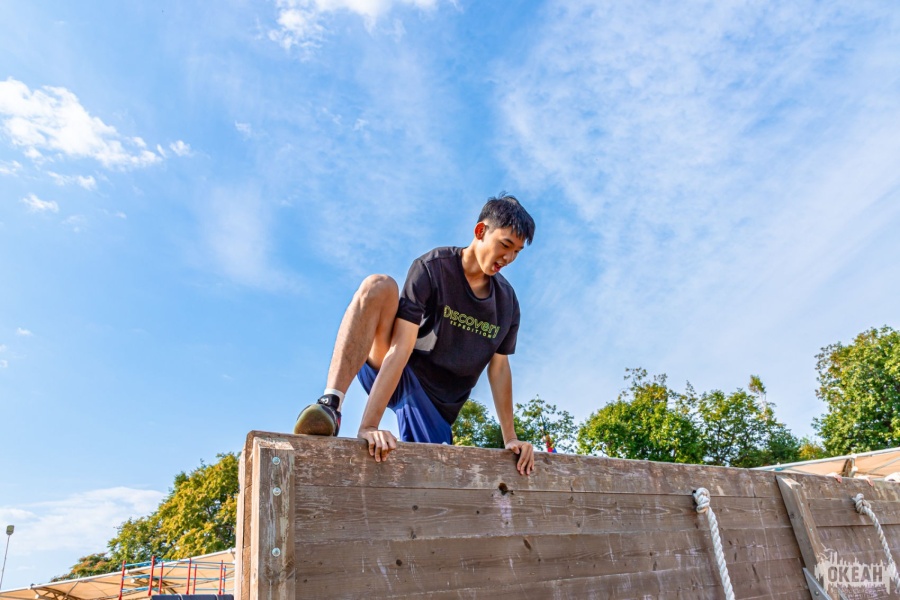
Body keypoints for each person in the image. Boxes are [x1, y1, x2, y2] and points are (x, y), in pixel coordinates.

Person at [293, 193, 536, 475]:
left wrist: (510, 439)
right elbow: (401, 346)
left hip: (437, 403)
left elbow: (500, 368)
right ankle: (330, 405)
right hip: (396, 367)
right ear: (481, 231)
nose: (508, 258)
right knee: (378, 286)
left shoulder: (507, 302)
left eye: (517, 252)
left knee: (433, 477)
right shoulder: (432, 268)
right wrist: (369, 426)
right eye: (505, 245)